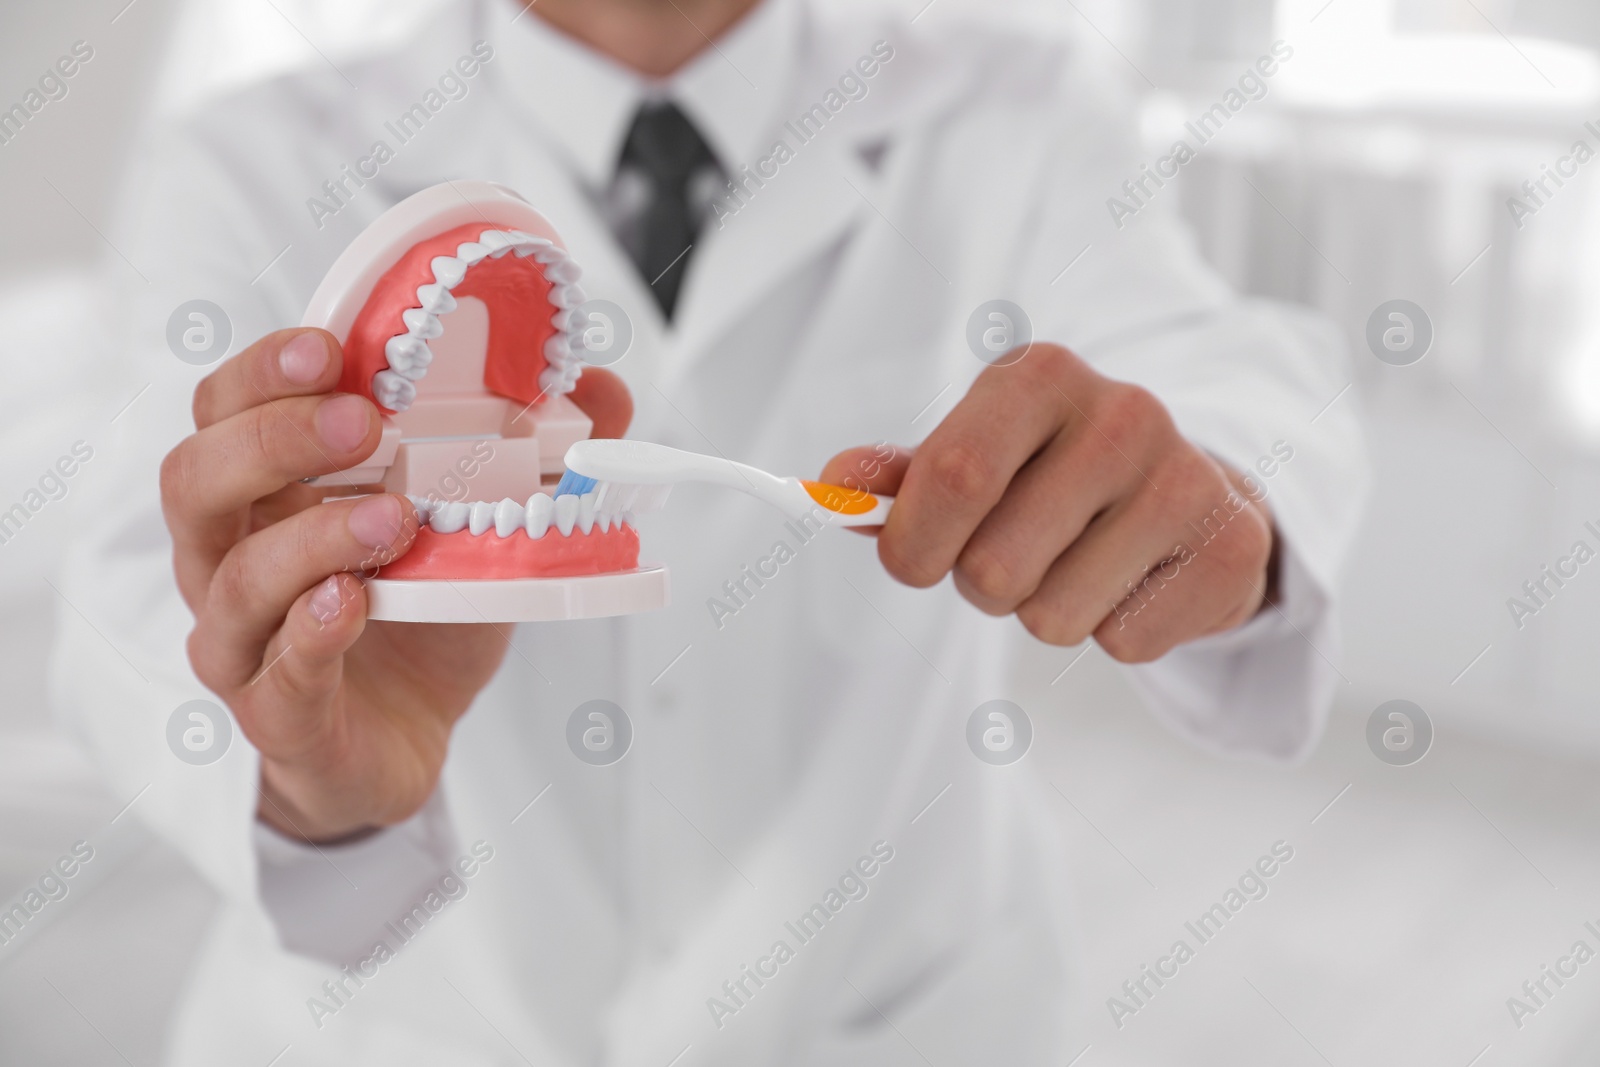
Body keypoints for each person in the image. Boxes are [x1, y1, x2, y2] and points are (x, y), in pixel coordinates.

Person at [52, 0, 1365, 1062]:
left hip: (903, 1015)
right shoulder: (244, 156)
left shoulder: (1022, 106)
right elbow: (128, 576)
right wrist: (305, 782)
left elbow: (1220, 373)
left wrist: (1220, 508)